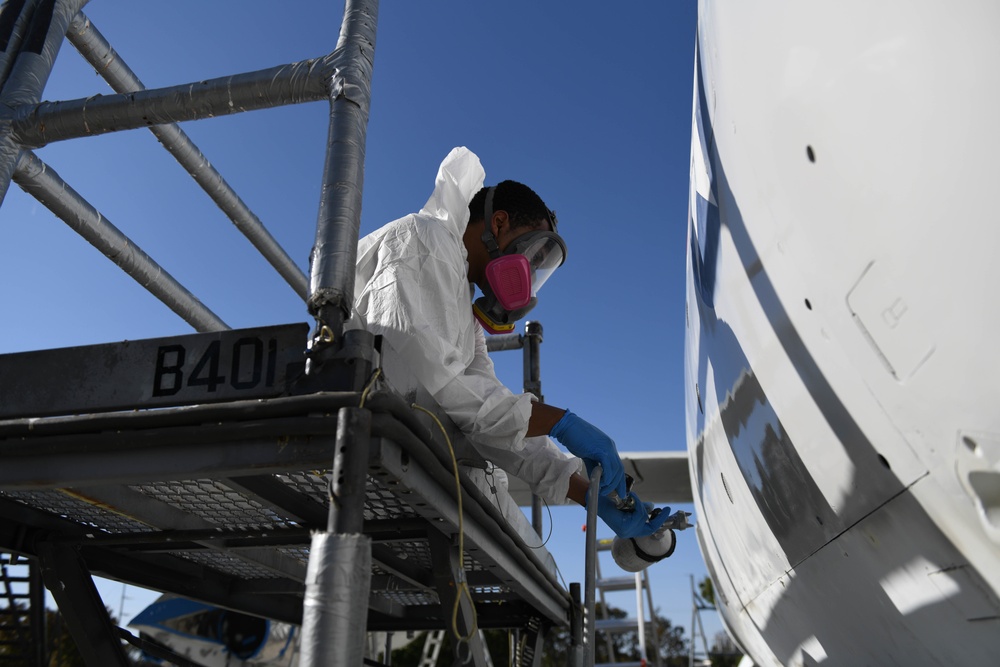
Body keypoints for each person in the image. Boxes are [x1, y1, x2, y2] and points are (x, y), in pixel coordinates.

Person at [350, 147, 669, 539]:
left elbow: (490, 413)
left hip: (391, 462)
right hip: (364, 452)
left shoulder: (459, 300)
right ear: (497, 223)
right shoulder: (426, 242)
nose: (529, 276)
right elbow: (437, 388)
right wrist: (559, 422)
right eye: (531, 257)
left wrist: (587, 495)